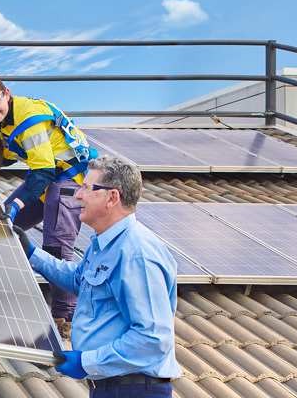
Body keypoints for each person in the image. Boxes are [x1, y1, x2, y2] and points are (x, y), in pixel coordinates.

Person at [11, 156, 180, 397]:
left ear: (112, 197)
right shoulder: (104, 245)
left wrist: (86, 361)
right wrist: (31, 253)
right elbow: (79, 280)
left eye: (86, 188)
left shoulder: (136, 254)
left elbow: (152, 338)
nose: (77, 195)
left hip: (133, 390)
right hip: (111, 387)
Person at [0, 73, 96, 332]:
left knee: (56, 246)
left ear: (7, 93)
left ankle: (66, 318)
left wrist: (16, 206)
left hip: (70, 179)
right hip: (47, 178)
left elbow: (42, 172)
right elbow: (1, 158)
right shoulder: (5, 122)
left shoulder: (27, 115)